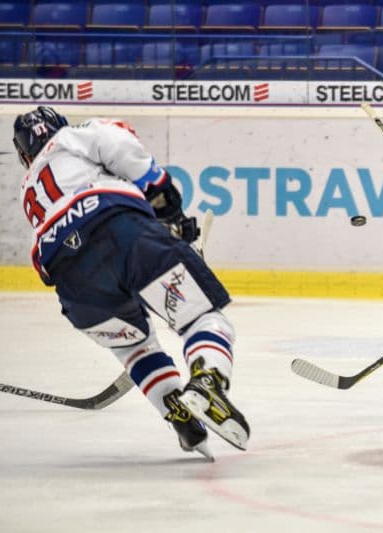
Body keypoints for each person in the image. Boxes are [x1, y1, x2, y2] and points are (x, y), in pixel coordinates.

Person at [13, 106, 250, 459]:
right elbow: (128, 154)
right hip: (120, 233)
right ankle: (208, 381)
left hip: (71, 281)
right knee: (201, 317)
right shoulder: (76, 135)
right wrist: (171, 212)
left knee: (134, 347)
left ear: (23, 153)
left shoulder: (27, 189)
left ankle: (179, 415)